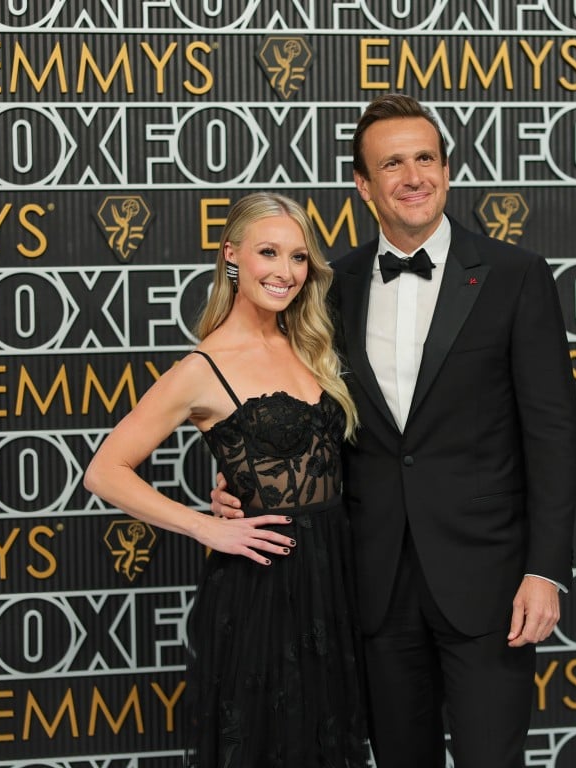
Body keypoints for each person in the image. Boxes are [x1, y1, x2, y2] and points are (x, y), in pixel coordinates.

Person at [212, 95, 576, 768]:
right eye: (392, 164)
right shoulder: (329, 285)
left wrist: (545, 571)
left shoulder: (517, 276)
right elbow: (292, 403)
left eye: (426, 159)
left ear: (445, 168)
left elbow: (552, 434)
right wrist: (242, 476)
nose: (413, 176)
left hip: (490, 579)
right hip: (370, 578)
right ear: (363, 185)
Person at [84, 192, 367, 768]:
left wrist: (239, 472)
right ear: (231, 255)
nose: (285, 272)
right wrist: (204, 528)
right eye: (269, 252)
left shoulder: (311, 342)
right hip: (263, 587)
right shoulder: (202, 367)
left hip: (335, 577)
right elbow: (104, 471)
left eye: (297, 256)